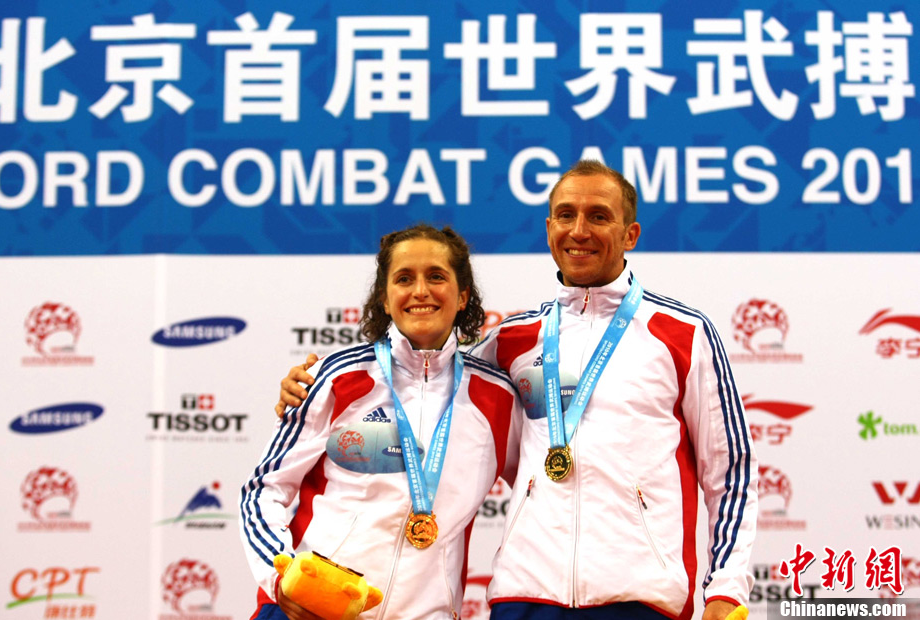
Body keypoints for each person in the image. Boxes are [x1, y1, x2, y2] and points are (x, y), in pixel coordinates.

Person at [276, 161, 758, 620]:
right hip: (524, 595)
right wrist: (307, 388)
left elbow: (730, 471)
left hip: (639, 595)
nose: (579, 231)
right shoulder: (511, 340)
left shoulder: (683, 334)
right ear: (549, 229)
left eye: (598, 216)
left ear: (630, 234)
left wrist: (726, 589)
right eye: (566, 215)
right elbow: (429, 377)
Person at [243, 224, 523, 620]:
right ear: (385, 299)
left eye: (436, 276)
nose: (420, 291)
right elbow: (263, 489)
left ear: (462, 296)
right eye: (404, 279)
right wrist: (280, 575)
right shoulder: (335, 378)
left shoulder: (498, 397)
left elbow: (543, 492)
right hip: (310, 608)